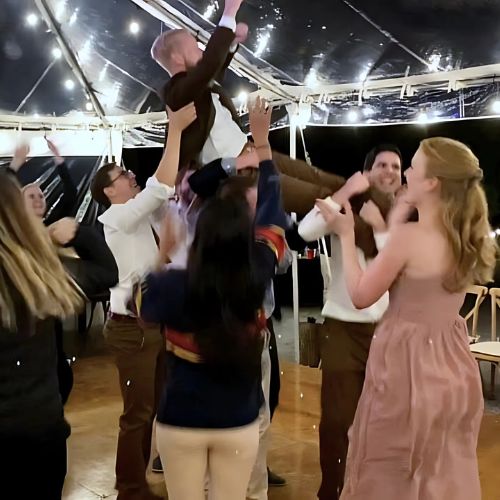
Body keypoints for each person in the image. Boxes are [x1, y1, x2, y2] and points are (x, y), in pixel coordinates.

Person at [316, 137, 497, 500]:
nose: (405, 174)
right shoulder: (463, 237)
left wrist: (347, 234)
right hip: (451, 365)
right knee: (440, 466)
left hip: (406, 366)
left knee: (392, 465)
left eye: (412, 167)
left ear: (432, 183)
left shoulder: (409, 238)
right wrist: (396, 217)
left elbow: (361, 293)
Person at [131, 98, 287, 500]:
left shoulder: (171, 285)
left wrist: (163, 255)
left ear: (198, 238)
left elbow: (140, 307)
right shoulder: (256, 272)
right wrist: (264, 147)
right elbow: (272, 214)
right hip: (237, 420)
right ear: (245, 235)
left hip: (180, 420)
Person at [151, 0, 354, 216]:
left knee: (323, 180)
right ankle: (375, 228)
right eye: (194, 47)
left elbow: (212, 69)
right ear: (175, 57)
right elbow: (208, 67)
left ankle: (378, 203)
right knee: (317, 196)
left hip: (254, 153)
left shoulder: (196, 87)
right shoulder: (176, 94)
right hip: (243, 173)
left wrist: (231, 43)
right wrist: (229, 13)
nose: (201, 51)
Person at [90, 103, 196, 500]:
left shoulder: (142, 219)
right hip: (129, 328)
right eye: (122, 175)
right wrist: (175, 130)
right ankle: (129, 489)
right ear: (108, 191)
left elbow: (167, 231)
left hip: (154, 321)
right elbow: (158, 189)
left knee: (153, 409)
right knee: (136, 414)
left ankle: (143, 479)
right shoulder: (113, 219)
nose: (130, 176)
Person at [0, 172, 118, 500]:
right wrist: (80, 232)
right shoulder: (43, 276)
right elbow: (107, 271)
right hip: (41, 433)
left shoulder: (42, 272)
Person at [298, 144, 402, 500]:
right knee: (338, 420)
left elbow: (396, 267)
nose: (390, 171)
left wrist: (382, 228)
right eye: (382, 165)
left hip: (389, 331)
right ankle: (333, 490)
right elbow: (305, 230)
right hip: (343, 327)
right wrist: (345, 192)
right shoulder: (348, 207)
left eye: (396, 166)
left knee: (385, 420)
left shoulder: (409, 215)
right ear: (366, 172)